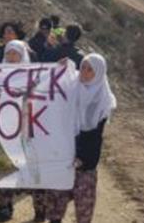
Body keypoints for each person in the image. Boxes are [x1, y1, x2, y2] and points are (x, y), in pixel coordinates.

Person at [46, 53, 116, 223]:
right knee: (56, 204)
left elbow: (94, 136)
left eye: (90, 70)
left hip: (85, 162)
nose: (84, 72)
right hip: (63, 157)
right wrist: (58, 68)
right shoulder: (72, 87)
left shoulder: (102, 100)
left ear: (99, 73)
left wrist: (81, 158)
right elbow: (50, 89)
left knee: (83, 206)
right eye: (83, 67)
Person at [0, 41, 46, 223]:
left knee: (34, 173)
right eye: (10, 53)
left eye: (16, 54)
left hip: (28, 133)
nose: (13, 57)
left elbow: (47, 93)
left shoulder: (34, 76)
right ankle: (4, 208)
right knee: (3, 171)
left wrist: (61, 69)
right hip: (4, 133)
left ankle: (40, 211)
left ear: (23, 55)